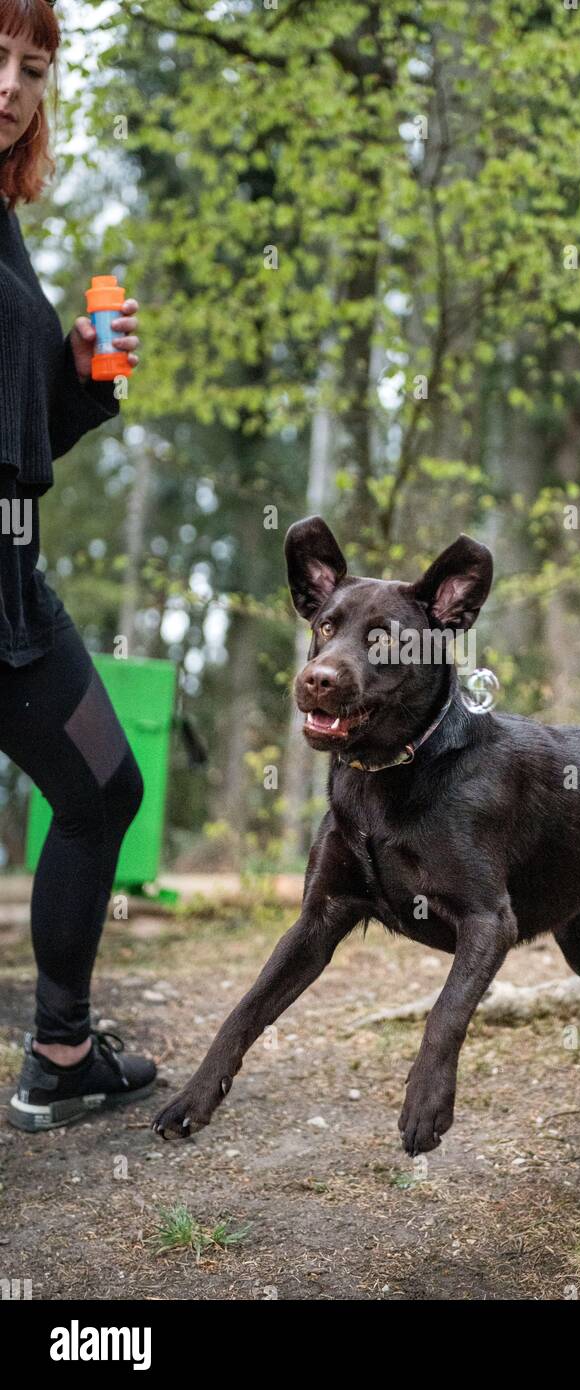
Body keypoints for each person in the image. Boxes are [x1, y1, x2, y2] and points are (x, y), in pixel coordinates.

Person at [1, 0, 157, 1131]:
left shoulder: (3, 224)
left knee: (103, 785)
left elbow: (24, 436)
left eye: (35, 67)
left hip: (14, 588)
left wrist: (82, 375)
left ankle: (61, 1049)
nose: (12, 83)